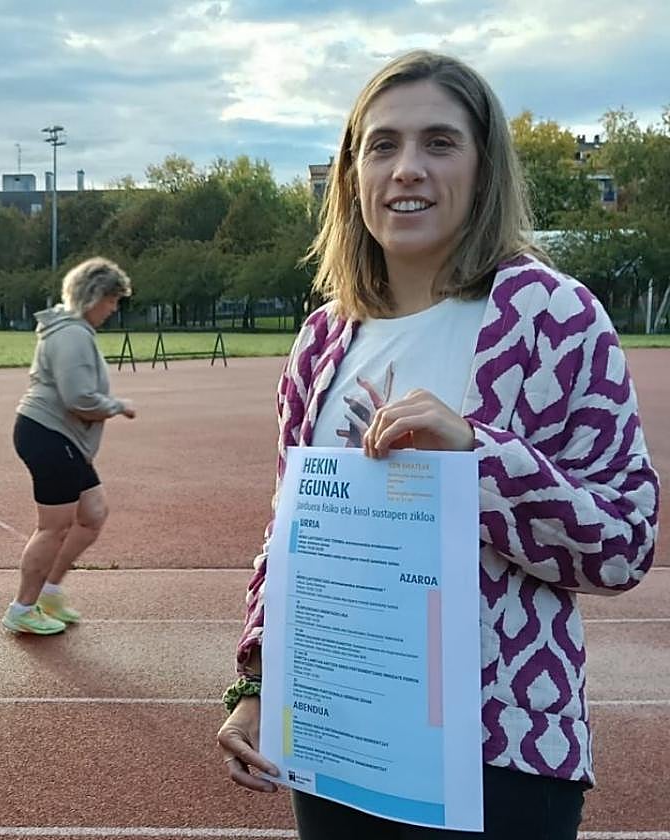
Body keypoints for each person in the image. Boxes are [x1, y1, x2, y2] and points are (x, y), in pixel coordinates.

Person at [216, 50, 659, 839]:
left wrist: (476, 460)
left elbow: (624, 542)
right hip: (340, 735)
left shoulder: (554, 318)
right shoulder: (323, 340)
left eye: (439, 143)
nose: (407, 169)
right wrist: (258, 680)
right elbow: (289, 535)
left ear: (484, 167)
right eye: (382, 145)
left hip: (501, 755)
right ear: (353, 173)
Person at [3, 257, 137, 635]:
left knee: (92, 512)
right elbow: (79, 397)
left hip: (60, 436)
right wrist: (117, 406)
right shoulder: (71, 333)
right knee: (54, 527)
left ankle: (49, 590)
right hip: (48, 434)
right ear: (93, 296)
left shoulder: (73, 330)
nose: (113, 309)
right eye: (111, 300)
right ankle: (22, 607)